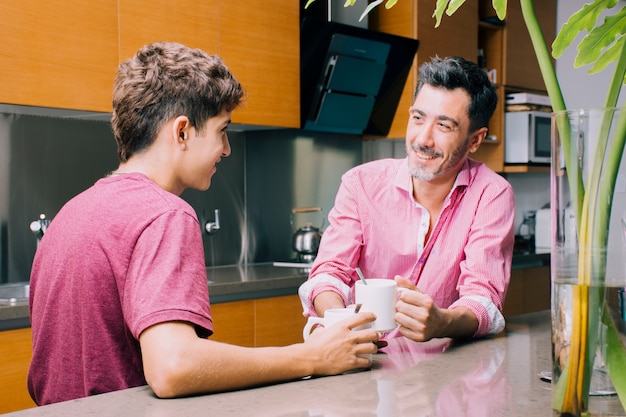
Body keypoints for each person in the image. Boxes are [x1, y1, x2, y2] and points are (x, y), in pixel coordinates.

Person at [27, 42, 381, 406]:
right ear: (181, 132)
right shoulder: (165, 214)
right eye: (222, 130)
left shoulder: (72, 211)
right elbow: (173, 367)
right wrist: (313, 357)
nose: (226, 149)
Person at [299, 56, 515, 342]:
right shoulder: (360, 184)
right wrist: (342, 325)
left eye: (444, 126)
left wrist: (443, 322)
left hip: (440, 371)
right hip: (361, 358)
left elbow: (484, 299)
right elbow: (328, 274)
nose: (423, 139)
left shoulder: (491, 194)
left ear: (475, 140)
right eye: (418, 118)